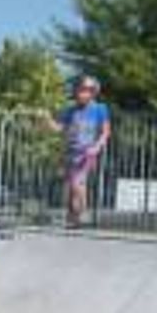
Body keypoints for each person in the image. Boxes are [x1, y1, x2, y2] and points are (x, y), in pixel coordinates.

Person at [45, 75, 112, 228]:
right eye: (80, 90)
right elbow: (59, 128)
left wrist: (97, 146)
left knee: (76, 183)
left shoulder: (100, 109)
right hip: (71, 152)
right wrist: (47, 120)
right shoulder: (71, 110)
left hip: (88, 153)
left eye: (87, 90)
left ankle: (83, 212)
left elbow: (106, 131)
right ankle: (74, 218)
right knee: (74, 186)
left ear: (93, 92)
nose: (82, 93)